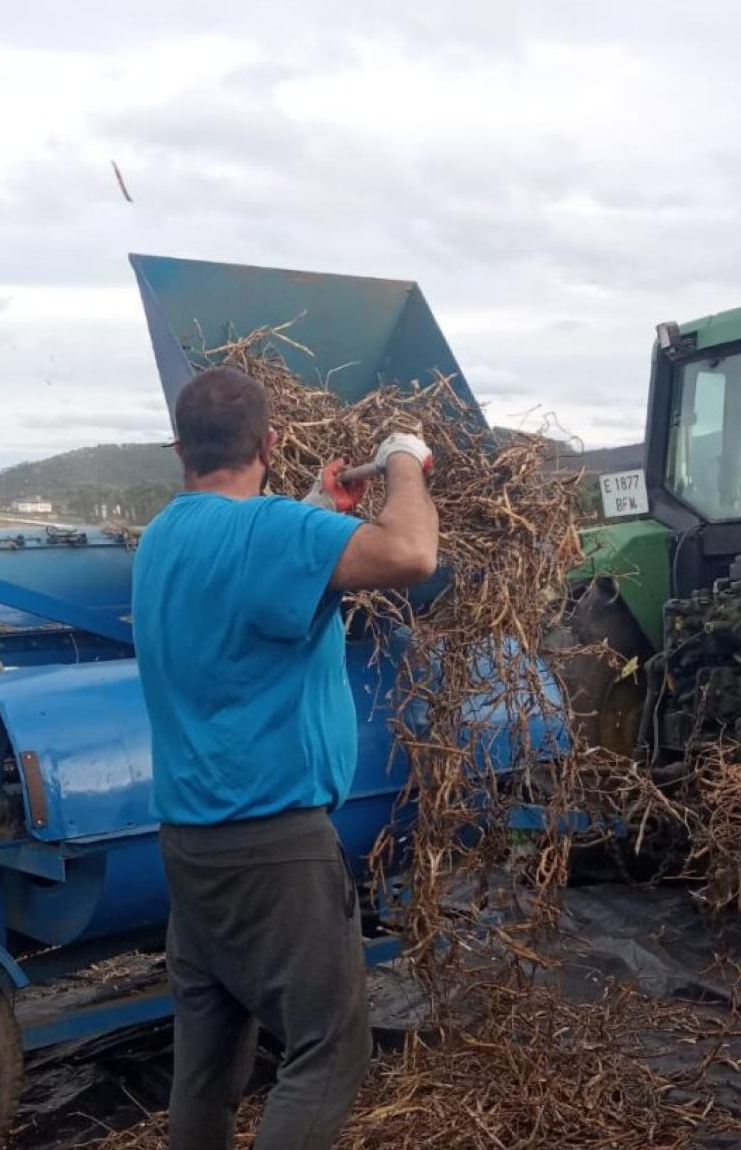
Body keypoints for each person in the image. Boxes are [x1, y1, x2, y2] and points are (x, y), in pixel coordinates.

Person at [131, 365, 440, 1150]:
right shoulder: (272, 534)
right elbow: (410, 554)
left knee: (207, 1061)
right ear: (270, 442)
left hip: (191, 846)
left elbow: (242, 578)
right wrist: (403, 458)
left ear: (178, 451)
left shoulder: (164, 534)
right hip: (273, 845)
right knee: (331, 1053)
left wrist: (313, 516)